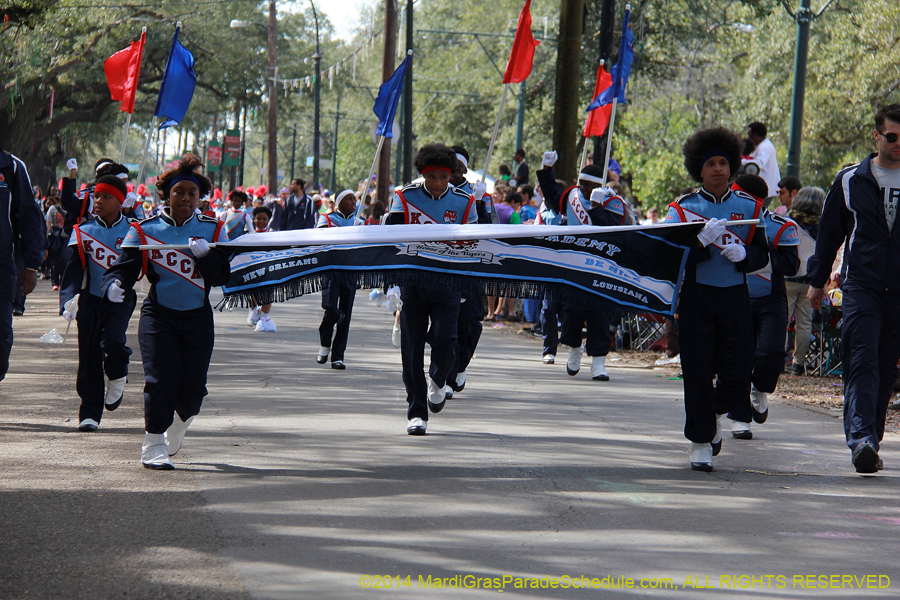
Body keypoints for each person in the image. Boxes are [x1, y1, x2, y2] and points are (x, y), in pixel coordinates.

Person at [102, 154, 230, 470]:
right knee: (159, 379)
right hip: (159, 315)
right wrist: (114, 284)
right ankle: (153, 442)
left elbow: (222, 276)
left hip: (198, 317)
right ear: (167, 195)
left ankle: (180, 422)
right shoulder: (145, 230)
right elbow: (124, 268)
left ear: (200, 198)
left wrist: (205, 258)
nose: (185, 198)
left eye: (192, 193)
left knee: (193, 390)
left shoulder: (214, 231)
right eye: (179, 192)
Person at [664, 127, 769, 471]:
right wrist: (698, 244)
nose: (718, 169)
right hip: (696, 299)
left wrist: (746, 254)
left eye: (723, 162)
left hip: (735, 298)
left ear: (733, 165)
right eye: (710, 163)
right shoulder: (682, 209)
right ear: (699, 169)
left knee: (739, 372)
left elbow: (763, 255)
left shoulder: (751, 206)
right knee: (696, 371)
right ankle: (699, 441)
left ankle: (712, 414)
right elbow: (668, 260)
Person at [807, 104, 900, 474]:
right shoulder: (850, 179)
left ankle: (871, 441)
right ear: (876, 136)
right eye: (892, 137)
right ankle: (861, 439)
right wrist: (816, 281)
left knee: (884, 364)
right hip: (861, 284)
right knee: (861, 359)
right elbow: (829, 233)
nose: (898, 144)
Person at [388, 143, 477, 435]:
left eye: (444, 177)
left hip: (448, 280)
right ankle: (416, 412)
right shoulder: (404, 197)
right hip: (412, 281)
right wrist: (391, 284)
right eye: (432, 177)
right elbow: (391, 242)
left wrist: (467, 279)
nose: (438, 183)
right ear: (423, 175)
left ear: (451, 175)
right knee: (411, 347)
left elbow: (474, 245)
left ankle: (438, 379)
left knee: (446, 340)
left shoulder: (465, 202)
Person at [537, 151, 627, 381]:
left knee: (599, 314)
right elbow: (550, 196)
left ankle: (598, 362)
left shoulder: (613, 203)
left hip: (601, 267)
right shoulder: (571, 196)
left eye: (590, 186)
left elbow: (609, 231)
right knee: (572, 312)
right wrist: (547, 171)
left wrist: (596, 206)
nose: (584, 190)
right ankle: (574, 348)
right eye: (582, 185)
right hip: (573, 265)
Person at [725, 174, 800, 441]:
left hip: (771, 299)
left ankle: (761, 387)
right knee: (738, 358)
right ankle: (739, 416)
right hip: (735, 298)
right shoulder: (722, 222)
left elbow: (791, 265)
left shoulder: (780, 225)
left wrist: (754, 254)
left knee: (770, 352)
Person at [60, 175, 137, 431]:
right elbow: (72, 271)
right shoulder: (83, 231)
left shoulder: (135, 230)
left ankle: (117, 373)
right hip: (91, 299)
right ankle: (89, 412)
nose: (99, 202)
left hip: (121, 298)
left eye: (107, 197)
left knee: (114, 340)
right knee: (89, 354)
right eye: (97, 196)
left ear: (120, 202)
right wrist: (68, 299)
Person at [0, 146, 44, 382]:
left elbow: (29, 217)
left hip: (3, 265)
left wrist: (31, 265)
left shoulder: (11, 166)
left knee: (2, 335)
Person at [315, 190, 360, 369]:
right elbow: (319, 241)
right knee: (332, 310)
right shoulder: (326, 219)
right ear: (339, 202)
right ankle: (325, 342)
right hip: (330, 271)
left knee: (345, 315)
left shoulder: (359, 223)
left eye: (355, 199)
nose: (354, 202)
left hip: (350, 272)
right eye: (349, 199)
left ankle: (338, 356)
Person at [785, 186, 824, 376]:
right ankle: (798, 363)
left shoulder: (788, 220)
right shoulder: (823, 225)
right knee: (804, 323)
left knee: (781, 320)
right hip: (810, 281)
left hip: (788, 277)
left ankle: (776, 358)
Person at [246, 205, 277, 332]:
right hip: (253, 269)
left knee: (267, 292)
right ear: (254, 219)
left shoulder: (274, 236)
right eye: (258, 219)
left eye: (264, 219)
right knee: (252, 292)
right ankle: (253, 310)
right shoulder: (248, 235)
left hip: (268, 268)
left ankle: (264, 318)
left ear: (269, 220)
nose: (261, 222)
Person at [746, 122, 782, 198]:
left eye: (749, 135)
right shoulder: (760, 146)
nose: (748, 138)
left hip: (767, 188)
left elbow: (759, 163)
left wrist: (741, 162)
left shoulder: (765, 147)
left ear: (755, 135)